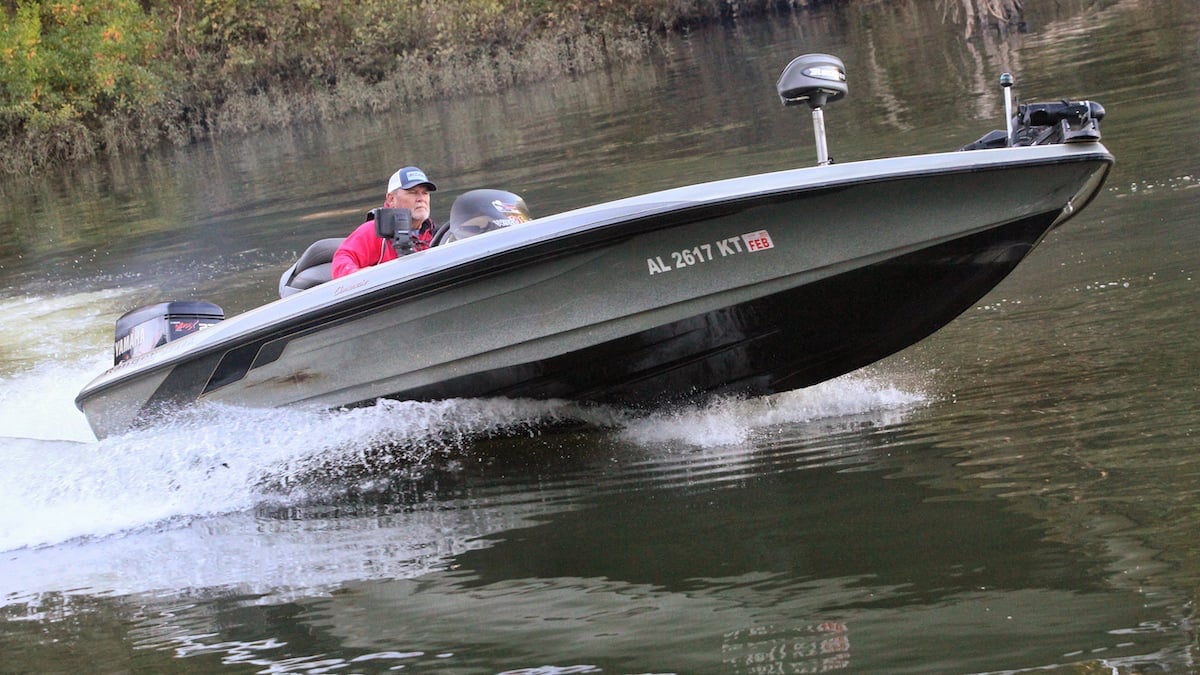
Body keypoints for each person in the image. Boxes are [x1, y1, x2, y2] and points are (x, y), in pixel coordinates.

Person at [331, 166, 438, 279]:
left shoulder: (437, 233)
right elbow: (341, 260)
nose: (421, 198)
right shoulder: (373, 230)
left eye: (425, 193)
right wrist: (361, 276)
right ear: (391, 199)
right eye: (412, 192)